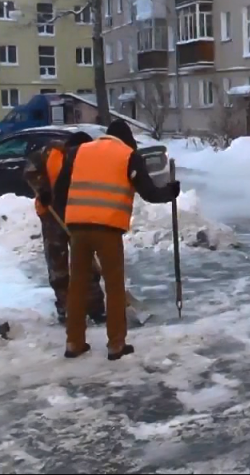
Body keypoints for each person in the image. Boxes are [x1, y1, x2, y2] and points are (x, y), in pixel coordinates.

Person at [52, 119, 180, 360]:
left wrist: (68, 219)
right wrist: (170, 193)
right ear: (126, 139)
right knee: (113, 286)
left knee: (77, 285)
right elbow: (149, 192)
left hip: (77, 229)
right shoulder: (128, 155)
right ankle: (115, 345)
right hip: (107, 229)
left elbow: (60, 190)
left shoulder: (80, 151)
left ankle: (74, 342)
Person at [23, 131, 107, 325]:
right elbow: (29, 170)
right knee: (58, 262)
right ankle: (66, 308)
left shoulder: (88, 161)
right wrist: (42, 189)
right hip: (52, 215)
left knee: (87, 261)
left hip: (78, 214)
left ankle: (95, 308)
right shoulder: (49, 153)